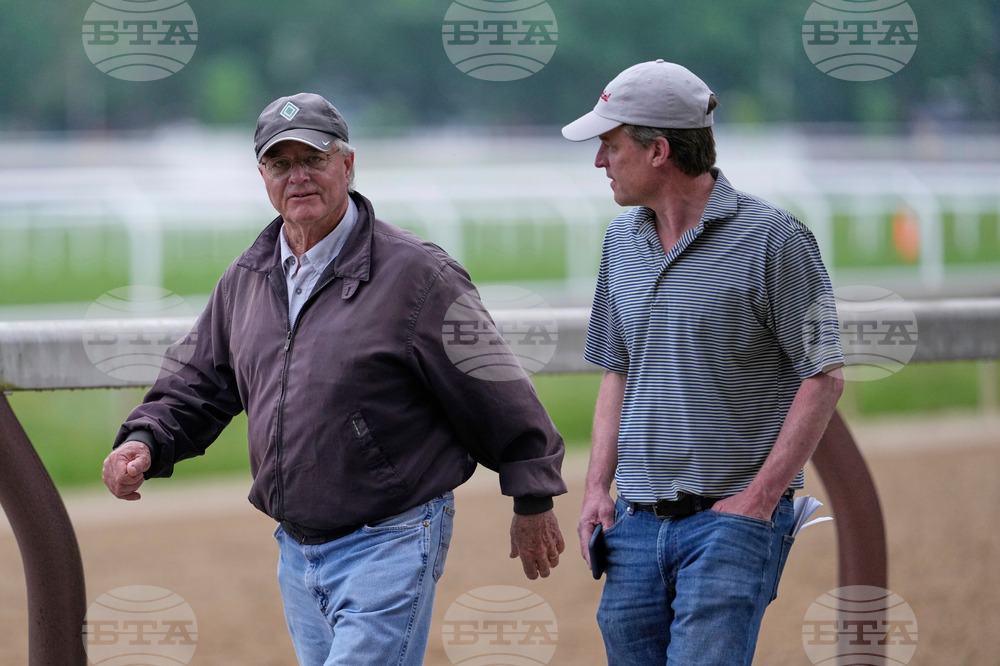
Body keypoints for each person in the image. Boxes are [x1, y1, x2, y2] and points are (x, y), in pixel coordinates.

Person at [103, 92, 567, 665]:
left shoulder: (419, 275)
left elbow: (494, 387)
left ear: (347, 164)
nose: (297, 177)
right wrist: (145, 439)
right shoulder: (246, 277)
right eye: (280, 164)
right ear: (263, 176)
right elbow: (198, 381)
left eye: (313, 159)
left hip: (392, 539)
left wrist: (533, 496)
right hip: (296, 548)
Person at [561, 61, 845, 665]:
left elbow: (824, 376)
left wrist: (761, 501)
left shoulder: (776, 239)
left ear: (659, 150)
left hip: (731, 523)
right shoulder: (619, 241)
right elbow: (616, 370)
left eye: (610, 146)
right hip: (632, 529)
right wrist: (594, 491)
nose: (599, 162)